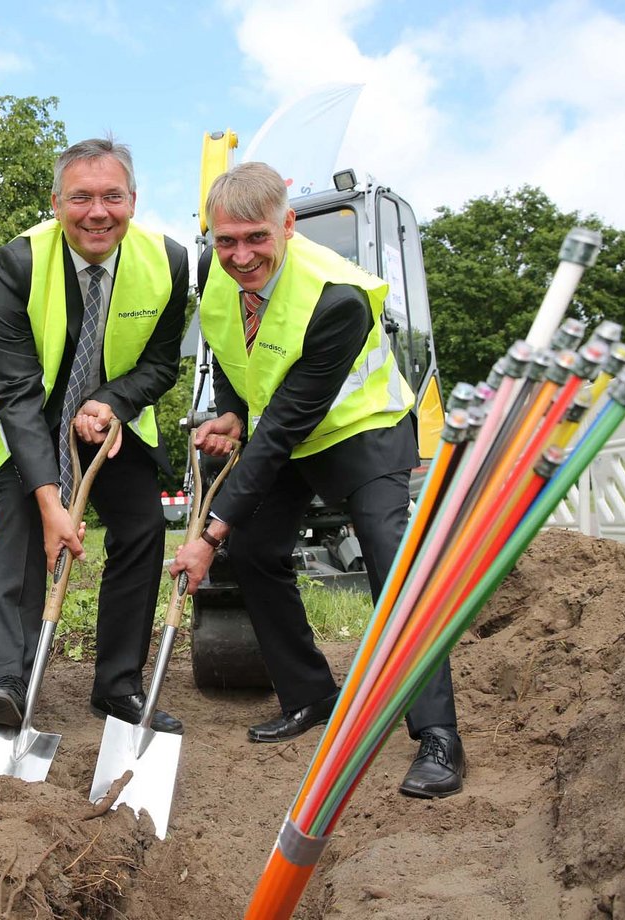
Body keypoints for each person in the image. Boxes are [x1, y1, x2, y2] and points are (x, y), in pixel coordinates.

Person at [170, 162, 465, 798]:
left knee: (393, 564)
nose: (241, 257)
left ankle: (438, 735)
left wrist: (207, 535)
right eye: (226, 242)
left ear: (288, 224)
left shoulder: (339, 298)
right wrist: (227, 408)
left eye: (256, 239)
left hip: (363, 432)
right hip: (289, 431)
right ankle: (312, 695)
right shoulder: (215, 273)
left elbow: (278, 431)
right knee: (255, 552)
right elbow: (228, 348)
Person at [0, 137, 188, 733]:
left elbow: (162, 364)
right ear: (56, 202)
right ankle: (10, 682)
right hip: (29, 417)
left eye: (112, 197)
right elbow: (14, 390)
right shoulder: (16, 263)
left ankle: (118, 685)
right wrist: (49, 502)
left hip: (112, 418)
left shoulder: (168, 260)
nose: (98, 212)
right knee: (20, 531)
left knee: (143, 528)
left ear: (134, 201)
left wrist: (110, 402)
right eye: (81, 198)